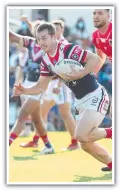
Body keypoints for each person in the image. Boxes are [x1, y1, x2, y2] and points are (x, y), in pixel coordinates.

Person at [12, 22, 112, 171]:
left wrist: (81, 73)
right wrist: (24, 90)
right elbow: (40, 87)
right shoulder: (46, 61)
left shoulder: (67, 49)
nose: (41, 42)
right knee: (85, 144)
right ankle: (113, 164)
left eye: (44, 38)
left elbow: (94, 59)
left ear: (54, 37)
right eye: (38, 39)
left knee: (81, 135)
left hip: (95, 95)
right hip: (80, 101)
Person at [21, 19, 79, 150]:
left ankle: (75, 142)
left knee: (65, 114)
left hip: (61, 84)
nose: (56, 31)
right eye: (54, 29)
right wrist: (28, 22)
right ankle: (36, 140)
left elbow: (65, 69)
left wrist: (59, 85)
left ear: (61, 30)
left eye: (58, 29)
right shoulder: (50, 44)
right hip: (48, 84)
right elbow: (36, 31)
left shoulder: (64, 45)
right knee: (42, 113)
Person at [9, 23, 54, 154]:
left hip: (39, 85)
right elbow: (11, 35)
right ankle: (48, 146)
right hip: (27, 82)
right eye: (36, 28)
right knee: (36, 119)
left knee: (23, 114)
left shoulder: (50, 47)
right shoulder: (29, 42)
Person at [92, 9, 112, 171]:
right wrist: (92, 74)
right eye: (94, 13)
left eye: (100, 13)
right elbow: (101, 57)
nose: (96, 16)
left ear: (109, 15)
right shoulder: (96, 36)